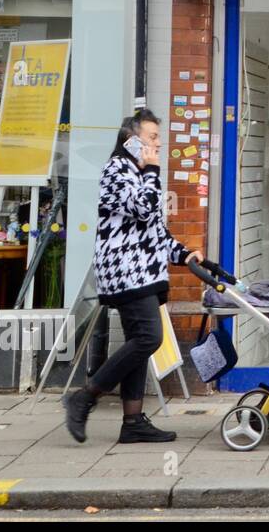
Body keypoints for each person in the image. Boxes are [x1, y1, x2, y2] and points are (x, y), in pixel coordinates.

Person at [63, 109, 203, 443]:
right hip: (126, 273)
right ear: (132, 139)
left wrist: (184, 254)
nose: (157, 145)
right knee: (148, 339)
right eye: (152, 138)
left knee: (138, 344)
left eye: (158, 138)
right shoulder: (117, 170)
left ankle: (133, 421)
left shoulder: (139, 173)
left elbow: (153, 228)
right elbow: (142, 207)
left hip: (143, 273)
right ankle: (85, 396)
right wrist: (152, 171)